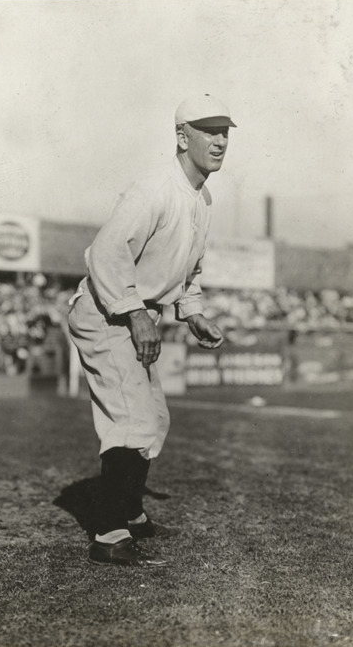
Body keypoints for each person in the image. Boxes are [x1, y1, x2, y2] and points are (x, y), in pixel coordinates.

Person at [68, 93, 236, 566]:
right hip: (105, 312)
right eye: (208, 131)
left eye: (225, 131)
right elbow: (106, 252)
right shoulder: (154, 189)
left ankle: (131, 513)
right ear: (182, 137)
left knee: (154, 419)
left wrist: (192, 311)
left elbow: (189, 268)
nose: (220, 140)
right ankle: (108, 533)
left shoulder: (202, 198)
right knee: (133, 419)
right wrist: (136, 312)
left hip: (132, 312)